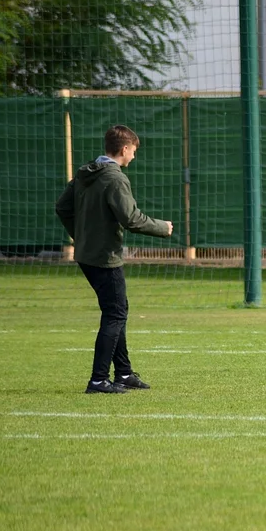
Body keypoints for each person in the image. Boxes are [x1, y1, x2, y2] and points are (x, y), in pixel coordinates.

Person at [55, 125, 173, 394]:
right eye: (134, 151)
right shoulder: (114, 178)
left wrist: (82, 236)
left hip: (86, 254)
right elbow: (130, 219)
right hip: (104, 256)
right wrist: (162, 228)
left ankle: (124, 373)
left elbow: (62, 207)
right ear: (124, 149)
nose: (133, 156)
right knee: (115, 313)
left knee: (116, 310)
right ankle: (98, 379)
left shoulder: (87, 172)